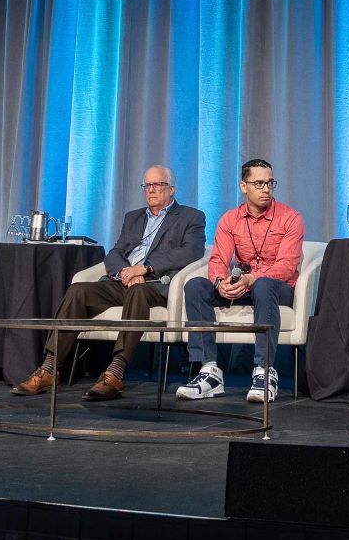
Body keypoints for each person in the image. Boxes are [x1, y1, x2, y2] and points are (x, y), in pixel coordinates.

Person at [12, 165, 205, 400]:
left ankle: (115, 372)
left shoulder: (191, 217)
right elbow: (115, 252)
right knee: (78, 290)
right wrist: (124, 272)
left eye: (158, 185)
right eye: (147, 185)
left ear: (172, 189)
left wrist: (145, 268)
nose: (151, 190)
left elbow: (191, 252)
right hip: (122, 282)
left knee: (139, 292)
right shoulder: (133, 217)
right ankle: (49, 369)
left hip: (154, 284)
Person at [177, 158, 304, 404]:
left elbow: (287, 266)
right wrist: (219, 282)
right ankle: (210, 372)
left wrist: (252, 279)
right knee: (195, 285)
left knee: (263, 283)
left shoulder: (291, 218)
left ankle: (264, 371)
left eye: (270, 183)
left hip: (278, 288)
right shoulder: (230, 220)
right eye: (259, 183)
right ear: (243, 186)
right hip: (244, 285)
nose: (266, 189)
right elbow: (217, 259)